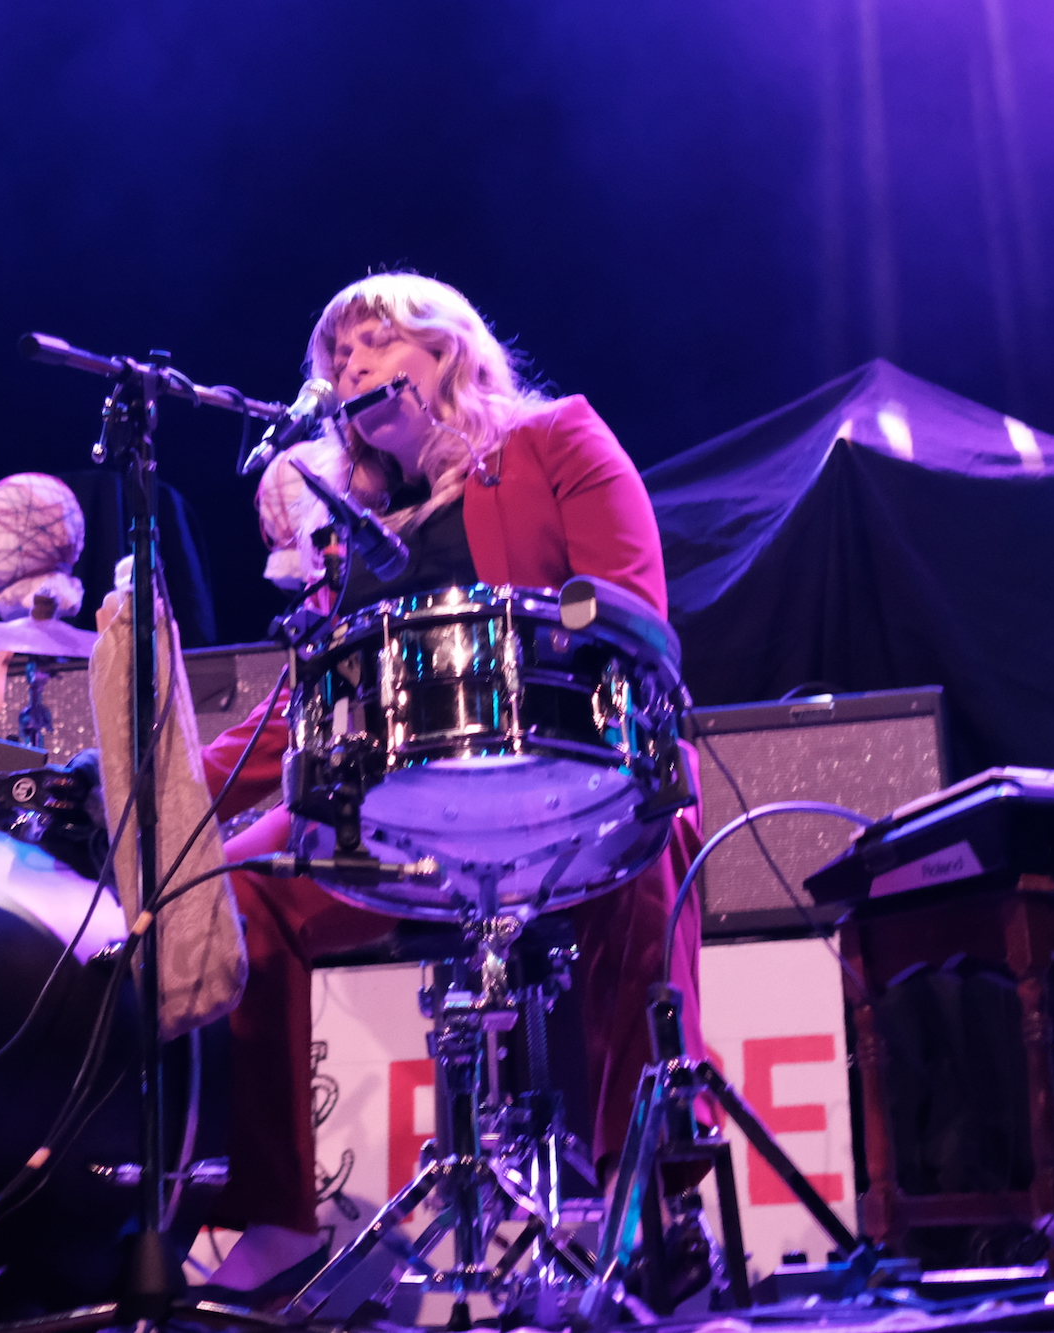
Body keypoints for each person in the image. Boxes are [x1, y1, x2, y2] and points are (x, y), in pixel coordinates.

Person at [198, 272, 705, 1296]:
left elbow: (633, 616)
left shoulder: (556, 439)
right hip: (402, 817)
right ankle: (276, 1216)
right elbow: (303, 703)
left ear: (445, 352)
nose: (349, 365)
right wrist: (172, 791)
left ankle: (646, 1187)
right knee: (231, 896)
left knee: (654, 833)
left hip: (562, 784)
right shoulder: (352, 531)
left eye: (374, 340)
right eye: (336, 356)